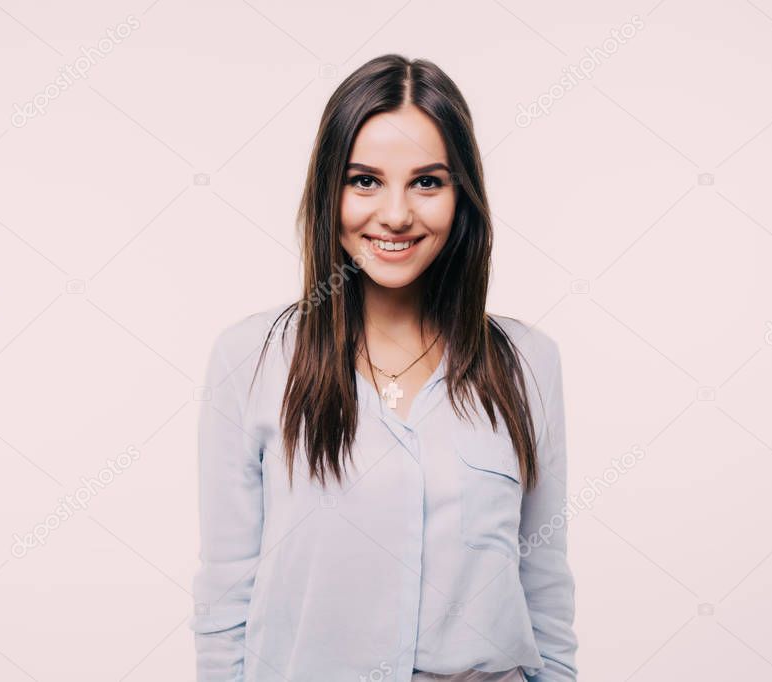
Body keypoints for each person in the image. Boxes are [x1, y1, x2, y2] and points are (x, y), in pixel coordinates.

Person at [189, 53, 578, 682]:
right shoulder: (250, 360)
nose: (396, 214)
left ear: (462, 196)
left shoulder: (531, 363)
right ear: (329, 192)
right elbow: (226, 594)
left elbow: (545, 582)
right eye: (365, 180)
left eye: (427, 181)